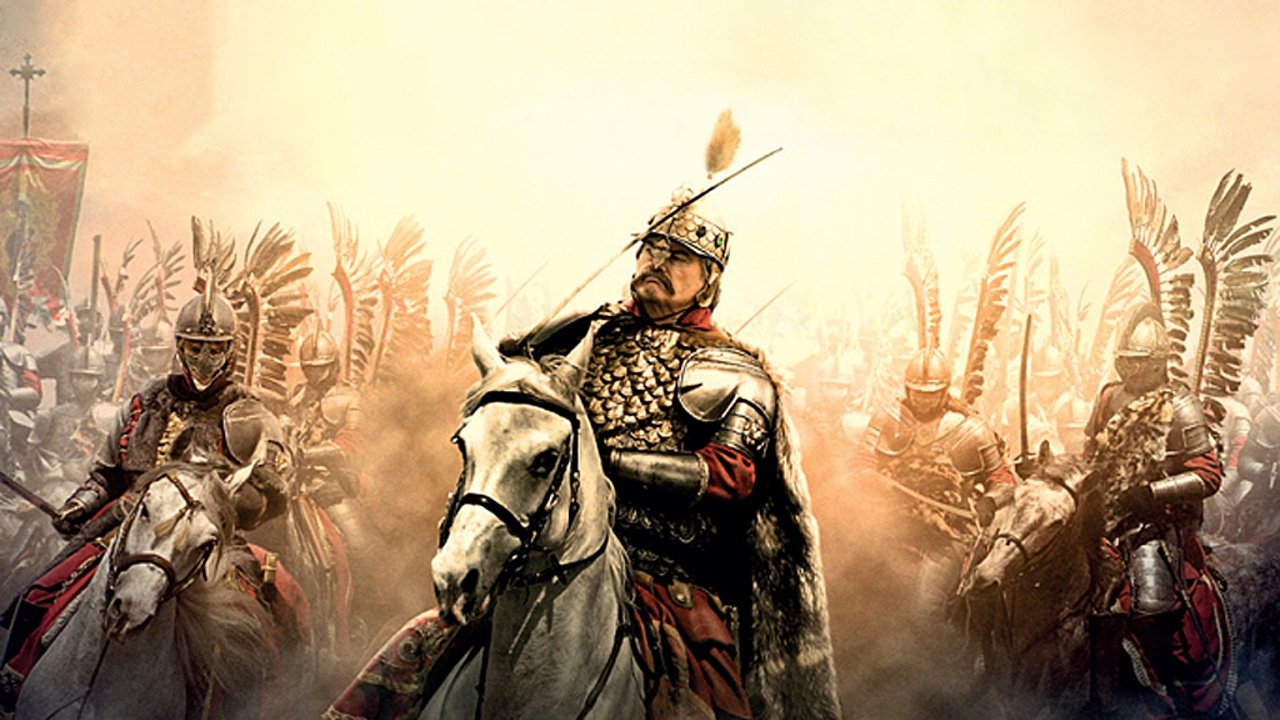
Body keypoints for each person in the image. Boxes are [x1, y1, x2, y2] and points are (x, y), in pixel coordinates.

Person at [326, 187, 840, 719]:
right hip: (549, 546)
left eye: (678, 257)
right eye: (651, 249)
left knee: (712, 698)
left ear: (709, 279)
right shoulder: (582, 335)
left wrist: (608, 462)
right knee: (425, 644)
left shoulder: (736, 372)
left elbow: (729, 476)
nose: (657, 263)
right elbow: (514, 404)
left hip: (665, 575)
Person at [0, 289, 291, 710]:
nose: (203, 358)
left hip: (205, 540)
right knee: (41, 590)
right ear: (180, 346)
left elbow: (269, 495)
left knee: (252, 633)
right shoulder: (146, 402)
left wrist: (231, 500)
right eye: (195, 347)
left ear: (230, 350)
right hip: (128, 522)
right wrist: (81, 505)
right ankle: (17, 682)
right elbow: (106, 474)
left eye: (214, 349)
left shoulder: (252, 413)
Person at [1082, 303, 1231, 718]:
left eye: (1138, 360)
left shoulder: (1181, 406)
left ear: (1157, 362)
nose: (1129, 368)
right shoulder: (1110, 396)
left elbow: (1209, 475)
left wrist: (1151, 492)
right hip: (1102, 516)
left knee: (1149, 605)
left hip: (1153, 524)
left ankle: (1168, 688)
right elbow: (1091, 451)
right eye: (1126, 359)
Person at [863, 346, 1014, 615]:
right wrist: (875, 481)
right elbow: (861, 461)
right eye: (917, 392)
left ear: (944, 391)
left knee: (925, 608)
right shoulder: (888, 418)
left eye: (930, 394)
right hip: (890, 523)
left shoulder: (971, 429)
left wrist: (990, 501)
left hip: (947, 532)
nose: (923, 400)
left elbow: (1003, 478)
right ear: (907, 389)